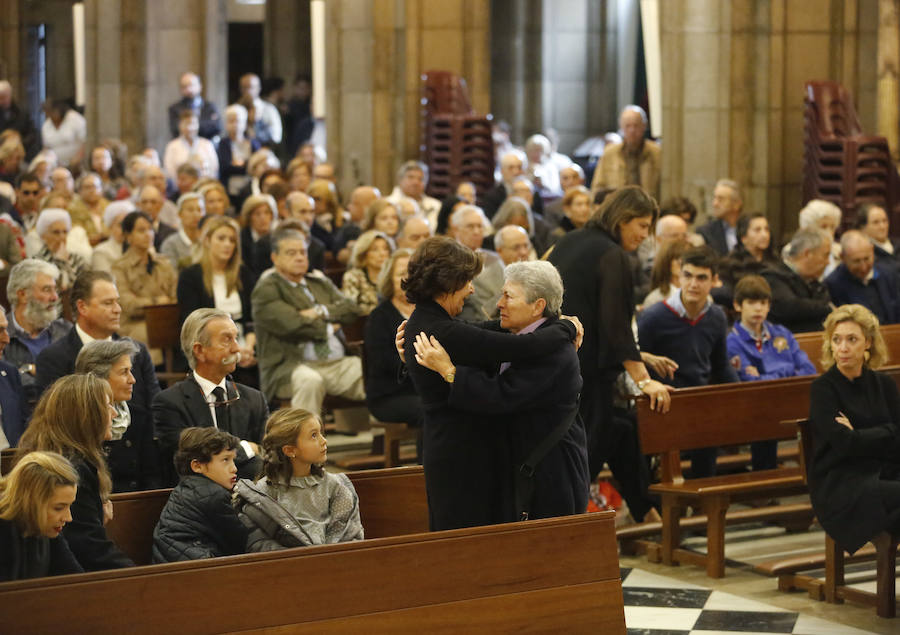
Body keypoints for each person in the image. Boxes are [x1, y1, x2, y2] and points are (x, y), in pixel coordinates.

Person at [401, 236, 580, 530]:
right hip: (459, 453)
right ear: (449, 282)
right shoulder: (441, 331)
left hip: (472, 450)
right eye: (468, 280)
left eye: (507, 297)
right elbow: (520, 349)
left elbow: (482, 332)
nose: (472, 289)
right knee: (466, 541)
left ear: (537, 306)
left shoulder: (429, 321)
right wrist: (566, 325)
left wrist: (557, 321)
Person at [549, 186, 672, 481]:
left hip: (553, 365)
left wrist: (639, 356)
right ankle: (568, 523)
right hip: (587, 377)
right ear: (623, 218)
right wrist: (645, 381)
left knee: (607, 438)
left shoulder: (569, 240)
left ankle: (645, 513)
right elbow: (615, 327)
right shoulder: (611, 254)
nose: (645, 235)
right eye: (642, 225)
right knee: (584, 459)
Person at [638, 246, 739, 478]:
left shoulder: (716, 316)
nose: (693, 284)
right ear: (679, 277)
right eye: (688, 276)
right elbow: (637, 361)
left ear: (714, 281)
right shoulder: (654, 317)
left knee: (710, 429)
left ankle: (705, 504)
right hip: (663, 401)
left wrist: (739, 395)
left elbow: (721, 365)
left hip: (699, 400)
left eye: (701, 277)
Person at [16, 374, 134, 571]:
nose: (114, 414)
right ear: (86, 416)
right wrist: (140, 578)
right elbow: (91, 550)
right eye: (107, 406)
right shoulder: (70, 470)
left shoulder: (67, 458)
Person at [808, 304, 900, 554]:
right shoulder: (823, 389)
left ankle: (887, 589)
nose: (843, 348)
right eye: (836, 340)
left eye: (852, 339)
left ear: (868, 343)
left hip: (884, 473)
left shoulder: (884, 384)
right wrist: (886, 432)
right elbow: (843, 444)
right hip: (842, 484)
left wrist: (859, 434)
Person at [252, 228, 364, 414]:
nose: (299, 257)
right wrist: (329, 326)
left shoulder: (319, 282)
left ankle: (387, 433)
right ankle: (304, 441)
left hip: (337, 363)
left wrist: (318, 311)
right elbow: (292, 324)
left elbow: (351, 309)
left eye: (303, 252)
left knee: (372, 372)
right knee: (310, 381)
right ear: (275, 258)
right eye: (291, 253)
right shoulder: (266, 289)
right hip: (292, 367)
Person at [152, 309, 268, 483]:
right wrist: (245, 447)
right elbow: (193, 463)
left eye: (236, 338)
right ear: (199, 350)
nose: (236, 348)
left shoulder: (254, 399)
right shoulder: (169, 403)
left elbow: (267, 455)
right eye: (227, 340)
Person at [34, 271, 161, 422]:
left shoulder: (138, 351)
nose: (118, 309)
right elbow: (52, 421)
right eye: (108, 303)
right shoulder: (53, 358)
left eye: (117, 302)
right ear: (82, 307)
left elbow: (156, 410)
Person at [236, 408, 364, 546]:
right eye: (314, 435)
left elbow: (348, 535)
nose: (324, 441)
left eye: (321, 433)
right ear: (290, 450)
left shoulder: (336, 485)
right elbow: (260, 543)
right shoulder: (263, 494)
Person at [727, 275, 816, 470]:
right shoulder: (732, 342)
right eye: (751, 302)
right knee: (764, 417)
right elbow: (751, 383)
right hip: (756, 409)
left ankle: (815, 477)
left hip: (791, 401)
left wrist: (767, 374)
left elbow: (808, 370)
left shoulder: (781, 333)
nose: (758, 308)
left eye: (763, 303)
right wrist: (787, 371)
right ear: (738, 305)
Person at [151, 427, 252, 563]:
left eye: (233, 460)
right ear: (197, 466)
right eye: (225, 460)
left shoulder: (188, 488)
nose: (234, 468)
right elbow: (240, 542)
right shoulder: (213, 495)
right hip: (195, 570)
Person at [74, 340, 160, 493]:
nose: (132, 380)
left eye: (131, 371)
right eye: (124, 372)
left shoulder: (139, 417)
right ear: (97, 377)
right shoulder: (75, 420)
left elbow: (152, 477)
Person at [177, 216, 258, 370]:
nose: (227, 244)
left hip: (244, 347)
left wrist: (247, 348)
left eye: (232, 240)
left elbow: (251, 320)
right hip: (209, 349)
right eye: (221, 238)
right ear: (207, 241)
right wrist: (229, 351)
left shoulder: (244, 274)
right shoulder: (191, 276)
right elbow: (194, 324)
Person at [364, 248, 423, 438]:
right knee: (429, 408)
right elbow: (382, 361)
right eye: (401, 274)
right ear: (389, 279)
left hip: (425, 387)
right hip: (390, 395)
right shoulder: (379, 316)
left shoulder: (428, 311)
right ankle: (425, 467)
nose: (407, 278)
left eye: (412, 273)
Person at [0, 450, 83, 581]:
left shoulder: (46, 526)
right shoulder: (5, 531)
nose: (68, 518)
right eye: (58, 508)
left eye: (69, 506)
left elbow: (75, 582)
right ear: (30, 502)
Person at [111, 211, 177, 357]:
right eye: (141, 230)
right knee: (145, 336)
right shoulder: (119, 267)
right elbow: (128, 305)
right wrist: (156, 302)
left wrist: (150, 303)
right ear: (128, 237)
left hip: (166, 321)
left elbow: (175, 297)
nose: (148, 234)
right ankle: (154, 377)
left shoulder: (163, 263)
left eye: (150, 229)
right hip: (135, 324)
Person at [4, 259, 69, 404]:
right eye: (47, 290)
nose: (55, 297)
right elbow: (8, 384)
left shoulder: (65, 330)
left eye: (55, 289)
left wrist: (33, 370)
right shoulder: (3, 335)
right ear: (22, 295)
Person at [761, 228, 833, 333]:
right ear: (808, 254)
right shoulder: (773, 276)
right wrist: (825, 308)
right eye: (825, 255)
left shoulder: (814, 282)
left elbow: (824, 305)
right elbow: (790, 308)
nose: (828, 263)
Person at [825, 230, 900, 325]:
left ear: (872, 250)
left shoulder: (889, 273)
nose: (863, 267)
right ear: (842, 257)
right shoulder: (833, 284)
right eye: (856, 261)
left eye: (866, 259)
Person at [590, 105, 661, 201]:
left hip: (648, 207)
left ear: (644, 126)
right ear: (621, 127)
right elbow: (597, 187)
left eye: (636, 125)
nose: (632, 130)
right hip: (617, 208)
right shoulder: (609, 153)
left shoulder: (657, 153)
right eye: (628, 126)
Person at [33, 208, 88, 292]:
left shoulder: (78, 259)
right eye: (56, 232)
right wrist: (61, 262)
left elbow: (82, 289)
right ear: (43, 236)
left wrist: (65, 263)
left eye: (65, 232)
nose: (62, 237)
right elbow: (59, 288)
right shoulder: (37, 261)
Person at [341, 230, 394, 315]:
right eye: (375, 250)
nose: (382, 254)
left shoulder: (394, 276)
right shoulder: (353, 276)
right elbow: (350, 309)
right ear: (363, 254)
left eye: (385, 249)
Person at [167, 72, 222, 140]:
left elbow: (216, 127)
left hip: (207, 145)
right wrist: (203, 124)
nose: (189, 89)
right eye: (184, 86)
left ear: (200, 86)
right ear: (180, 89)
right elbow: (176, 130)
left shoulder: (210, 107)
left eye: (191, 85)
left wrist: (188, 126)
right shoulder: (175, 109)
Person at [0, 307, 26, 449]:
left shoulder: (9, 374)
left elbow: (27, 429)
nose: (7, 339)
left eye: (6, 330)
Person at [797, 199, 842, 278]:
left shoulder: (839, 251)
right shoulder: (793, 252)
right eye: (823, 227)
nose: (829, 232)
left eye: (832, 227)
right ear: (808, 228)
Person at [160, 192, 206, 270]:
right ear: (179, 214)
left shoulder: (207, 241)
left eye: (199, 210)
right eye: (190, 210)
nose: (196, 214)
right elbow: (171, 274)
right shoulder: (170, 244)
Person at [697, 179, 742, 255]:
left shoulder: (749, 229)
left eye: (721, 199)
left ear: (736, 204)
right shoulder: (706, 232)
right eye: (714, 198)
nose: (715, 204)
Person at [642, 240, 689, 310]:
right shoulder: (655, 299)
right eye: (677, 258)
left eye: (686, 258)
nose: (681, 262)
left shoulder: (702, 296)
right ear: (666, 262)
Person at [0, 80, 40, 160]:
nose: (1, 101)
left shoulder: (22, 113)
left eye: (4, 97)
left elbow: (32, 134)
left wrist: (18, 142)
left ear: (10, 95)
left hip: (22, 154)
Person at [40, 100, 86, 170]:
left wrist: (75, 161)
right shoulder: (46, 125)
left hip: (75, 163)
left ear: (59, 109)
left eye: (51, 112)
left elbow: (84, 143)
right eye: (47, 113)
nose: (49, 115)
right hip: (53, 164)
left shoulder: (75, 119)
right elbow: (46, 148)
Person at [239, 193, 276, 280]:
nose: (263, 218)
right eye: (257, 214)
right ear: (249, 217)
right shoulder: (241, 239)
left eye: (267, 213)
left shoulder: (277, 237)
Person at [855, 202, 899, 273]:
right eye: (876, 222)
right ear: (862, 227)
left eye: (885, 221)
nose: (882, 226)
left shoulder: (897, 245)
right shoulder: (863, 253)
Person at [91, 200, 134, 271]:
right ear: (111, 227)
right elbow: (105, 280)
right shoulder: (101, 252)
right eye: (120, 225)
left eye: (128, 225)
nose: (125, 229)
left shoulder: (140, 248)